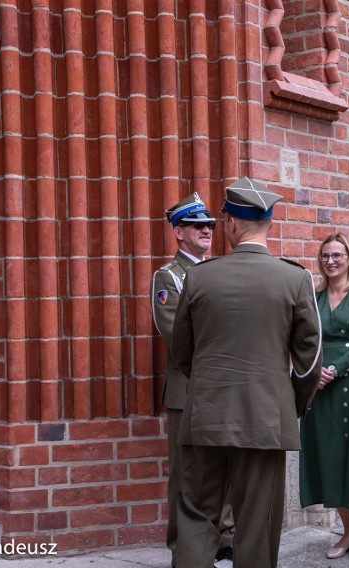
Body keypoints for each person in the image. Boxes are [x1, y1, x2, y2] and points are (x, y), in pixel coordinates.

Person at [171, 177, 323, 568]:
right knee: (257, 524)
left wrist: (208, 389)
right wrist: (289, 406)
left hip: (205, 414)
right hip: (264, 418)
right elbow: (309, 361)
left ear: (232, 224)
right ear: (268, 224)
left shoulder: (200, 276)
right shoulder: (294, 277)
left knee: (196, 515)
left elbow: (182, 352)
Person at [150, 193, 234, 566]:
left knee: (223, 467)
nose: (206, 230)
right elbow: (178, 335)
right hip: (188, 390)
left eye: (210, 225)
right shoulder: (168, 277)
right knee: (187, 476)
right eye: (197, 225)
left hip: (222, 390)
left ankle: (223, 538)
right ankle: (182, 548)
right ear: (178, 232)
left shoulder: (216, 272)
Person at [299, 233, 349, 564]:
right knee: (330, 461)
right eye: (325, 256)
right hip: (320, 390)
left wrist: (336, 367)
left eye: (337, 255)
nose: (330, 261)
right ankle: (346, 532)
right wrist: (313, 372)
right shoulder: (315, 296)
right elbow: (303, 339)